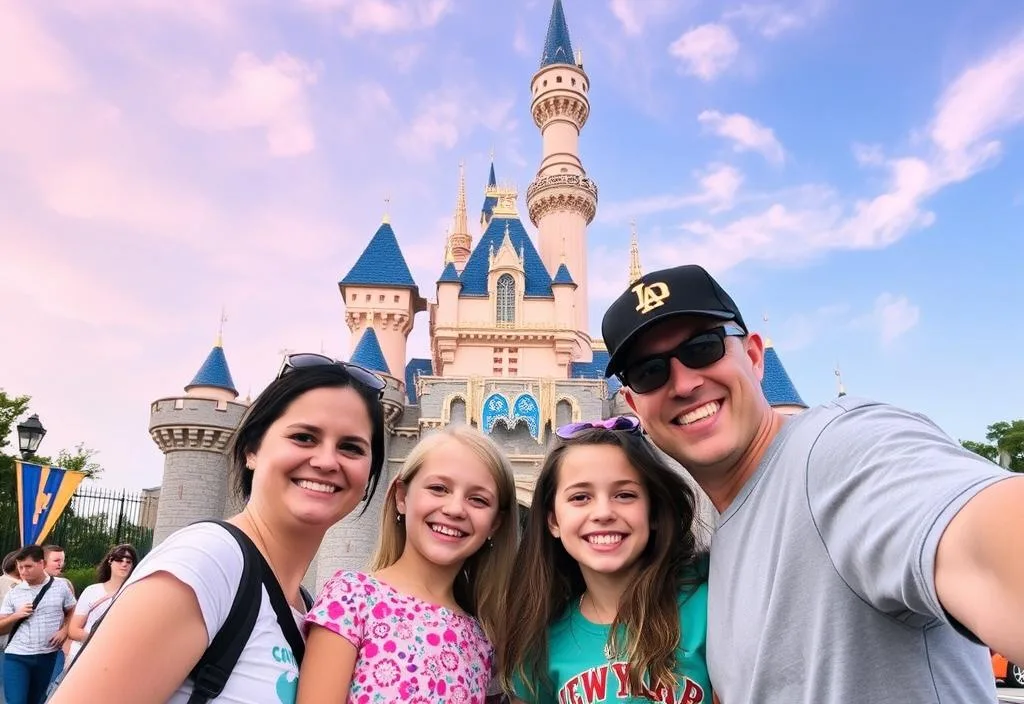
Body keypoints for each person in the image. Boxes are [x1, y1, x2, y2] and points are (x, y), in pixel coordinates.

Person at [601, 264, 1024, 703]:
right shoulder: (719, 545)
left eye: (703, 348)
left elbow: (982, 542)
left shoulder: (834, 452)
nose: (685, 383)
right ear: (634, 406)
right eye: (650, 372)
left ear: (754, 356)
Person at [49, 354, 388, 704]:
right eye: (304, 437)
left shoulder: (303, 606)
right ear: (251, 451)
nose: (327, 461)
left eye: (351, 447)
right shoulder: (207, 563)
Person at [298, 424, 518, 704]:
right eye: (438, 488)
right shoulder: (352, 597)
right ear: (402, 497)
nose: (454, 509)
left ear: (494, 525)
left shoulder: (482, 639)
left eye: (478, 499)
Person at [499, 417, 711, 704]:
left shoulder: (706, 606)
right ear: (553, 521)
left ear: (654, 513)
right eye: (580, 497)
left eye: (624, 495)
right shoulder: (540, 642)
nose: (603, 513)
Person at [0, 545, 76, 704]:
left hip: (47, 655)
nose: (23, 571)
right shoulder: (14, 592)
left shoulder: (61, 587)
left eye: (28, 566)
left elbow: (73, 611)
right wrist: (16, 615)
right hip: (17, 656)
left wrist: (64, 630)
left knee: (36, 701)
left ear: (41, 564)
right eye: (20, 567)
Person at [64, 544, 137, 667]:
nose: (124, 564)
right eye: (119, 560)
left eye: (128, 561)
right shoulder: (92, 591)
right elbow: (74, 630)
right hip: (83, 654)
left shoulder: (135, 594)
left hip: (115, 658)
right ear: (110, 561)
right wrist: (101, 641)